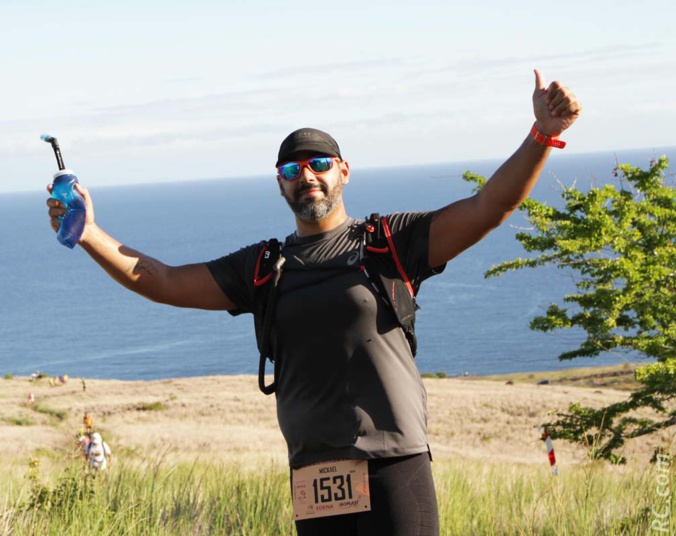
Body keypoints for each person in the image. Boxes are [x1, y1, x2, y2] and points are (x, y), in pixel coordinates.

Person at [46, 70, 580, 535]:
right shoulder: (263, 268)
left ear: (343, 171)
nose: (306, 175)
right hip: (315, 474)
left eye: (319, 163)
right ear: (279, 185)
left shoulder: (387, 243)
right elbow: (160, 279)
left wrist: (542, 135)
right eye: (292, 170)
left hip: (393, 463)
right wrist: (89, 233)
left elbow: (489, 206)